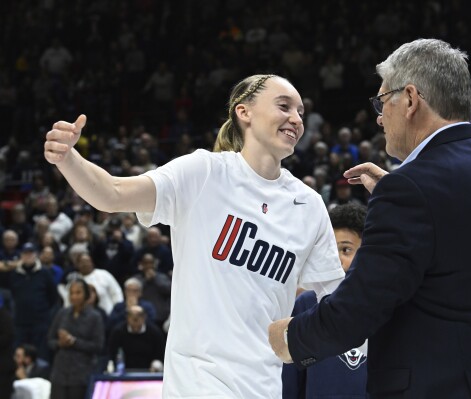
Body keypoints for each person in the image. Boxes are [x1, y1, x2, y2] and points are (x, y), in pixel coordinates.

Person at [268, 38, 471, 398]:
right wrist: (402, 194)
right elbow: (465, 264)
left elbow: (356, 311)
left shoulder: (412, 190)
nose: (379, 116)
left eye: (382, 101)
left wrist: (288, 338)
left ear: (412, 99)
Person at [44, 74, 345, 398]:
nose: (296, 119)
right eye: (284, 106)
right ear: (244, 112)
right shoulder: (205, 173)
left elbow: (339, 300)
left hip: (264, 388)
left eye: (301, 111)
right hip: (197, 384)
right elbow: (113, 193)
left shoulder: (308, 205)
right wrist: (68, 158)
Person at [282, 203, 368, 398]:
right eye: (331, 250)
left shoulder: (385, 305)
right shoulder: (305, 304)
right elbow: (290, 380)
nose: (336, 259)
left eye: (346, 250)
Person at [47, 277, 104, 399]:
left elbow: (98, 346)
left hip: (81, 373)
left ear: (86, 294)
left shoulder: (95, 317)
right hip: (60, 372)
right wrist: (59, 344)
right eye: (71, 293)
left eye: (78, 293)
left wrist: (74, 342)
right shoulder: (62, 314)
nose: (74, 296)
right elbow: (50, 341)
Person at [107, 305, 165, 371]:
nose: (135, 321)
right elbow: (112, 354)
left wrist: (156, 365)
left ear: (144, 318)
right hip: (123, 372)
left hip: (149, 371)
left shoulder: (155, 333)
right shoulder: (118, 332)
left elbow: (160, 355)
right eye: (132, 318)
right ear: (127, 318)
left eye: (138, 317)